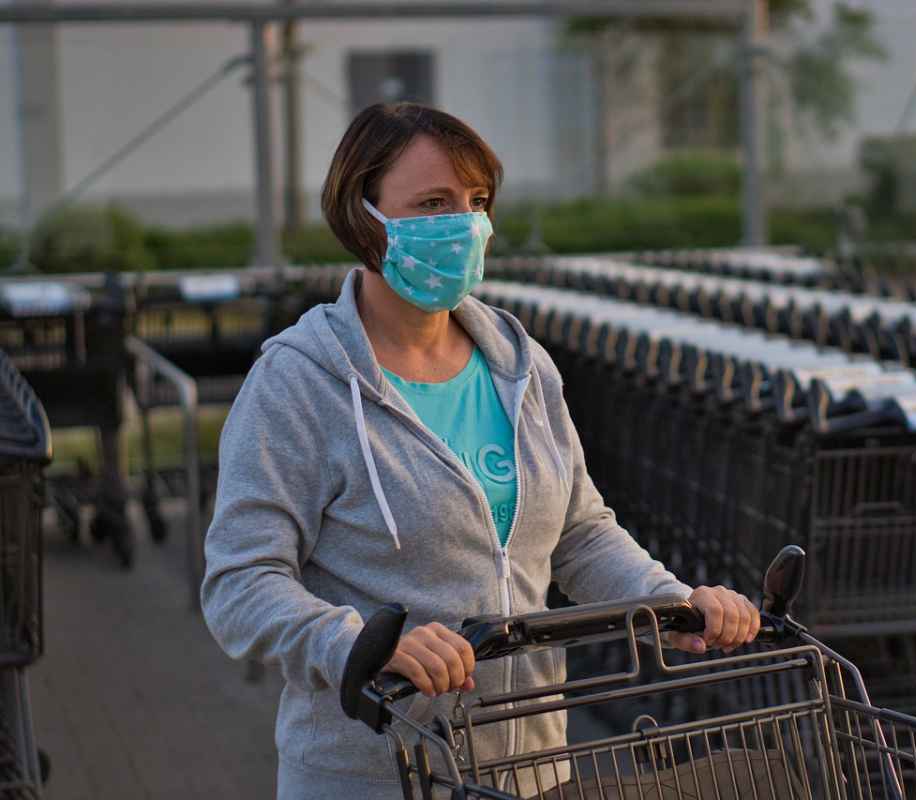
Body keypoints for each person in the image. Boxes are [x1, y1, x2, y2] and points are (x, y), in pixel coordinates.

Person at [200, 102, 761, 800]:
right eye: (433, 203)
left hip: (528, 770)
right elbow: (240, 583)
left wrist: (668, 601)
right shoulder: (298, 383)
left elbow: (580, 535)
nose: (464, 225)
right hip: (376, 775)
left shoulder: (518, 365)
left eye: (476, 202)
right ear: (362, 216)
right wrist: (358, 645)